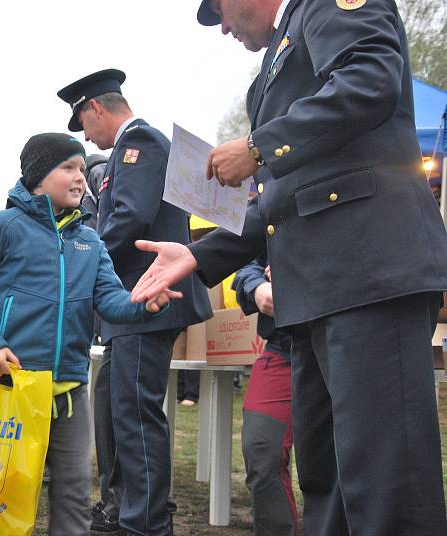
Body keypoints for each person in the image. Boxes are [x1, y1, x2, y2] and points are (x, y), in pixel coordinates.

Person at [130, 2, 447, 534]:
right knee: (326, 482)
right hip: (319, 294)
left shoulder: (326, 6)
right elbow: (281, 200)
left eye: (221, 12)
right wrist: (198, 255)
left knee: (387, 487)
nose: (223, 27)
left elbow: (370, 77)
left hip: (367, 277)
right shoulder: (276, 62)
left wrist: (257, 146)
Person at [0, 134, 177, 536]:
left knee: (73, 495)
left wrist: (143, 304)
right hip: (12, 388)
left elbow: (113, 302)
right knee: (2, 494)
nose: (79, 178)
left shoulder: (90, 241)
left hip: (68, 393)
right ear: (37, 176)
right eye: (68, 168)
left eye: (82, 169)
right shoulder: (3, 227)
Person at [57, 69, 212, 536]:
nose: (86, 135)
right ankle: (129, 509)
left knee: (136, 413)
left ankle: (146, 521)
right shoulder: (135, 147)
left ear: (95, 108)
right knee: (121, 407)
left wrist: (83, 260)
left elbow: (129, 217)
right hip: (135, 299)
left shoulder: (139, 143)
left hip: (146, 297)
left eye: (83, 122)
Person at [233, 256, 297, 536]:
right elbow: (248, 262)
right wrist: (257, 286)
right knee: (261, 448)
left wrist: (295, 270)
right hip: (284, 347)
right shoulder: (269, 211)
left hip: (347, 342)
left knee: (338, 460)